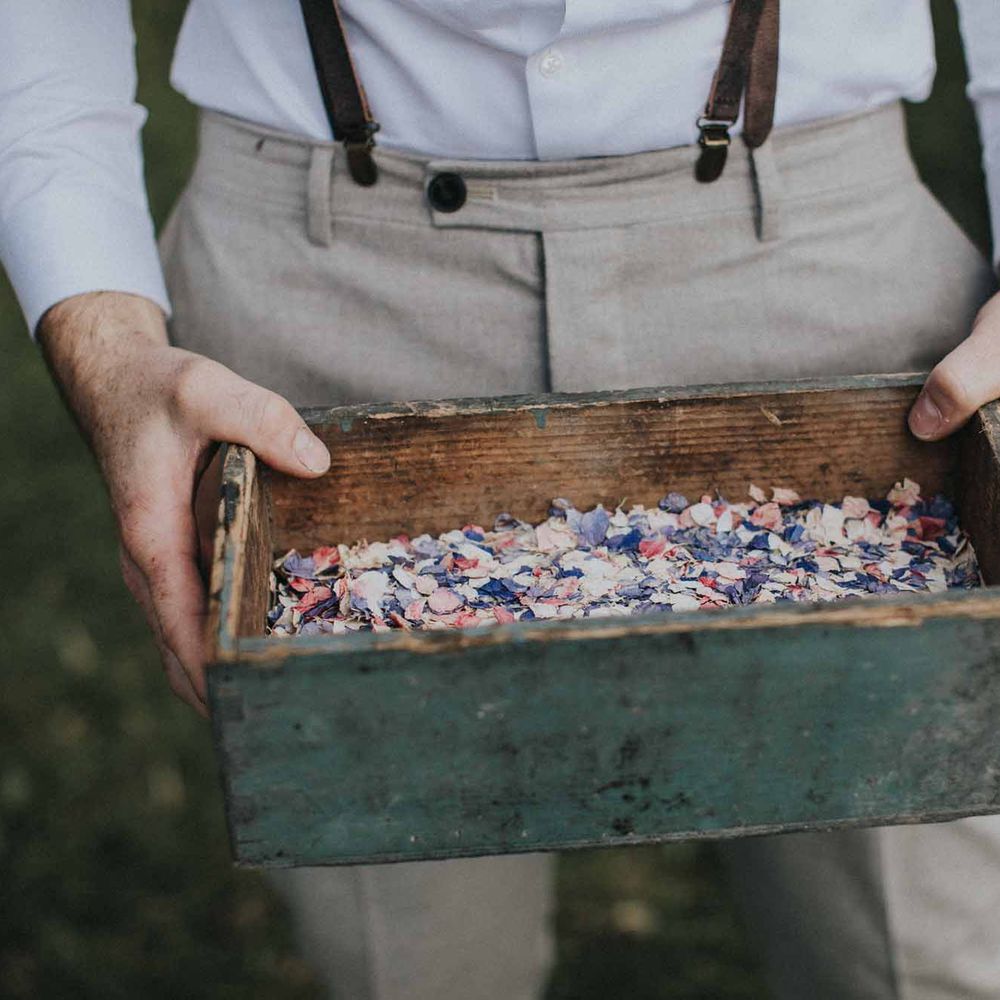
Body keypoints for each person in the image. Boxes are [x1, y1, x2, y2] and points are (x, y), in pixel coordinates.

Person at [4, 1, 1000, 997]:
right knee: (414, 963)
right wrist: (108, 342)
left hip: (819, 259)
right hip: (332, 273)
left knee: (915, 948)